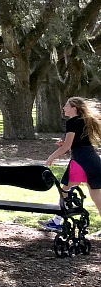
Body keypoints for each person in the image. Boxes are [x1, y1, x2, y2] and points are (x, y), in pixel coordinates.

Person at [42, 97, 101, 231]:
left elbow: (67, 147)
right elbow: (79, 142)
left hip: (80, 160)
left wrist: (50, 158)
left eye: (66, 105)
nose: (63, 108)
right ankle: (56, 221)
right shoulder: (84, 120)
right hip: (93, 159)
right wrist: (65, 144)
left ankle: (56, 222)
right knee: (96, 196)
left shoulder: (72, 122)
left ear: (74, 108)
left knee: (65, 191)